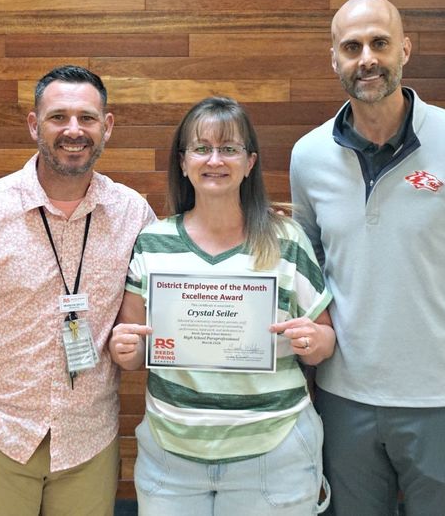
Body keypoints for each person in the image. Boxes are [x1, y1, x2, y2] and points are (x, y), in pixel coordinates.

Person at [290, 0, 445, 516]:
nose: (367, 58)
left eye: (379, 42)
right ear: (334, 59)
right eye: (351, 47)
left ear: (405, 48)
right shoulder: (308, 156)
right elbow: (305, 277)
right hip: (343, 399)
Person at [0, 65, 155, 516]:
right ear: (33, 125)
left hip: (91, 439)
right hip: (0, 434)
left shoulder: (133, 214)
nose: (73, 130)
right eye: (58, 117)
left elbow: (158, 302)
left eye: (86, 118)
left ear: (106, 128)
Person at [109, 96, 335, 515]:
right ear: (183, 161)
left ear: (249, 162)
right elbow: (134, 351)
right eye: (202, 148)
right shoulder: (153, 241)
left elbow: (326, 340)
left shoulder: (285, 239)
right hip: (171, 454)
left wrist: (314, 339)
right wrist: (124, 347)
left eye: (229, 149)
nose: (215, 160)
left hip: (273, 449)